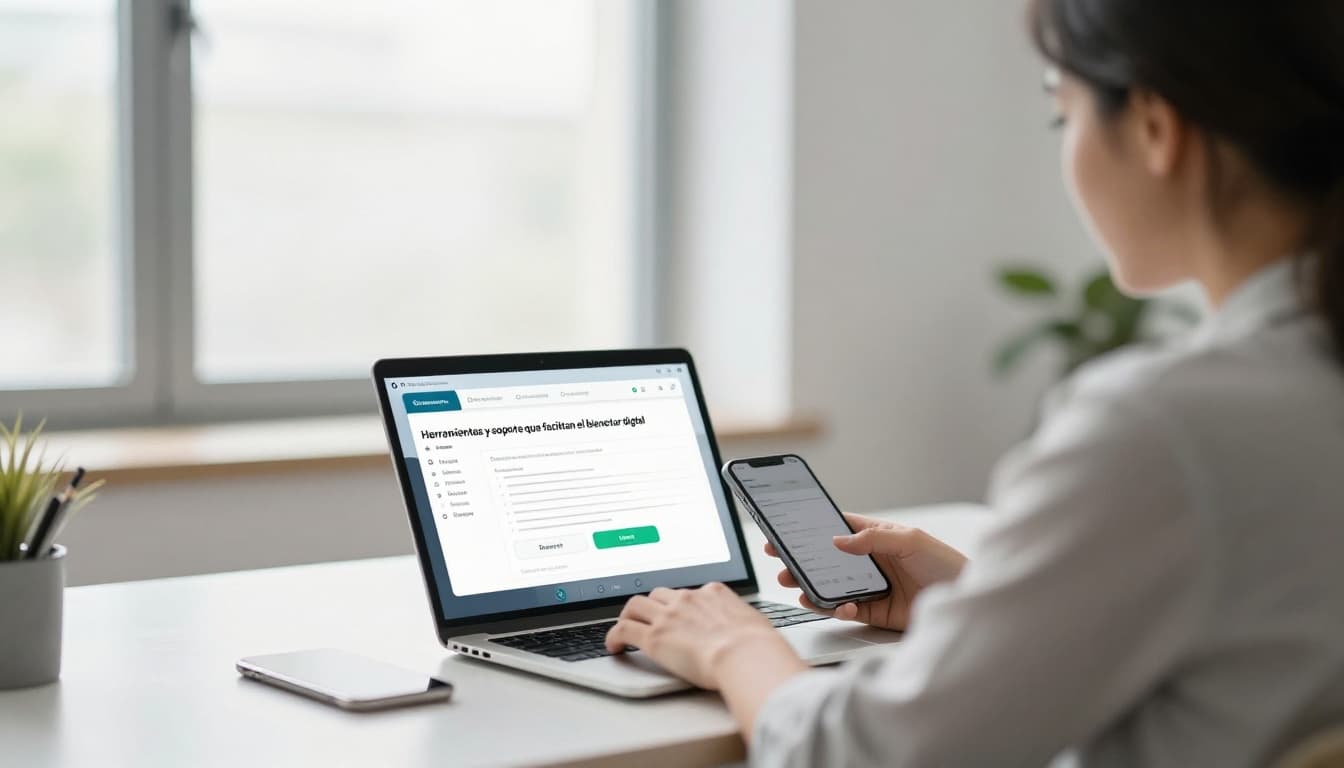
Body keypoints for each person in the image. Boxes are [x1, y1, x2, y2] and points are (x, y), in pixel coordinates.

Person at [603, 1, 1344, 765]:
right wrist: (990, 602)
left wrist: (732, 645)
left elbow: (860, 755)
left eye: (1063, 116)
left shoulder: (1163, 426)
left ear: (1156, 127)